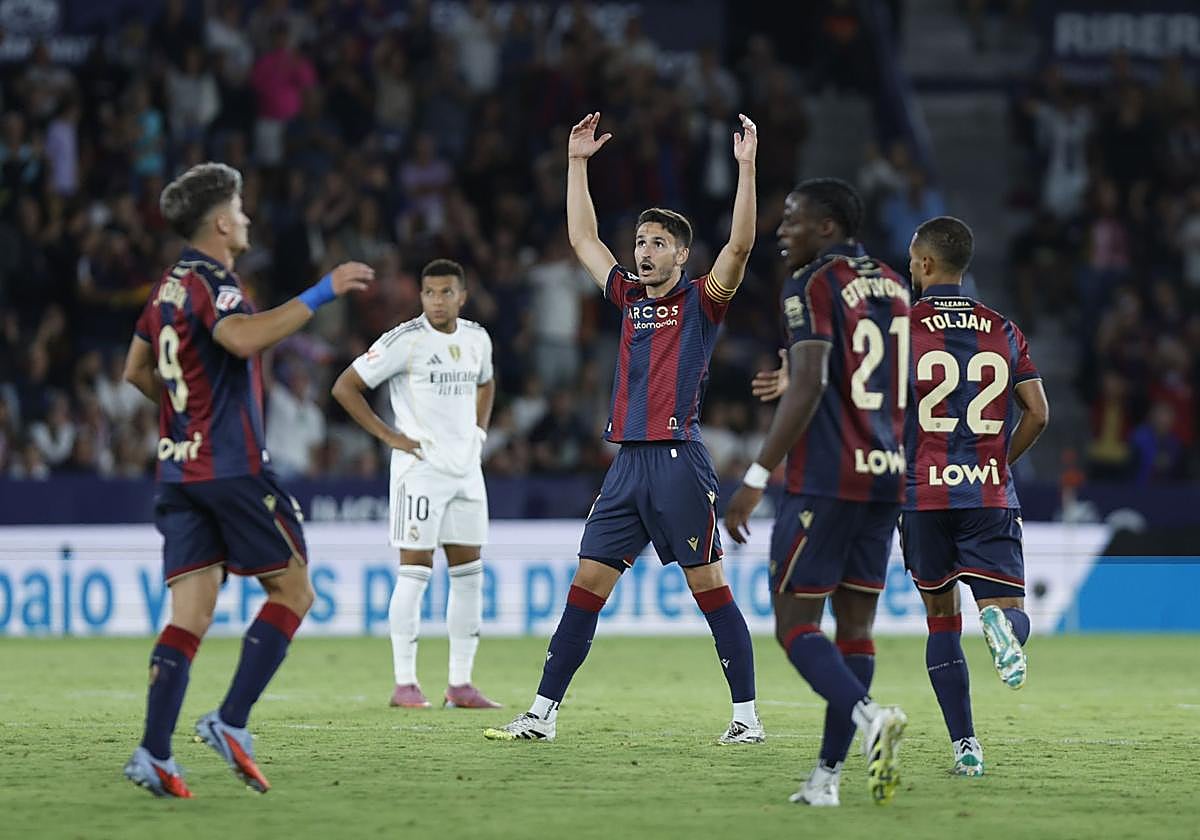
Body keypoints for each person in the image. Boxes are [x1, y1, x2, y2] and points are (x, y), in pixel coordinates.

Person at [485, 111, 762, 743]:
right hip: (627, 465)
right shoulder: (629, 299)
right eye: (640, 243)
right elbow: (584, 240)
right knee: (586, 584)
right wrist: (577, 164)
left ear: (681, 255)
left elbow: (740, 247)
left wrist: (746, 171)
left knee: (708, 585)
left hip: (677, 462)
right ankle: (542, 715)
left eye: (658, 243)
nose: (643, 252)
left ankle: (746, 719)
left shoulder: (703, 300)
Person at [121, 162, 372, 798]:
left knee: (190, 615)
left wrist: (185, 412)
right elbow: (240, 339)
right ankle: (231, 721)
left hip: (178, 470)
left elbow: (135, 370)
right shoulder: (213, 282)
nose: (250, 219)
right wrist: (322, 292)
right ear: (222, 221)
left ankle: (155, 754)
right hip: (231, 467)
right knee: (293, 592)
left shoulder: (166, 290)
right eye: (242, 208)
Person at [724, 179, 909, 806]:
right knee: (855, 626)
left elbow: (811, 380)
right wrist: (801, 381)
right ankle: (826, 779)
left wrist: (755, 477)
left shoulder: (811, 283)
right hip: (889, 473)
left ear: (828, 227)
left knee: (794, 624)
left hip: (827, 478)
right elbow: (876, 374)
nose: (782, 232)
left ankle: (867, 718)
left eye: (793, 220)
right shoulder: (895, 284)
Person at [900, 215, 1048, 776]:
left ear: (928, 263)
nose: (912, 267)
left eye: (914, 259)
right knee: (1008, 612)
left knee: (941, 620)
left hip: (922, 495)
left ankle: (966, 747)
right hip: (987, 495)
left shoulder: (900, 330)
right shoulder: (1003, 329)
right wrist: (997, 462)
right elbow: (1039, 412)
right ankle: (1003, 632)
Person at [332, 258, 500, 710]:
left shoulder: (476, 338)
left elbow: (486, 383)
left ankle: (460, 684)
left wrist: (479, 433)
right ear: (420, 296)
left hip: (466, 469)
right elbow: (345, 386)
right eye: (430, 293)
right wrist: (391, 438)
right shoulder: (404, 341)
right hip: (420, 471)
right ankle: (405, 683)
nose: (437, 301)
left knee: (469, 576)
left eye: (446, 292)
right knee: (415, 573)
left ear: (462, 296)